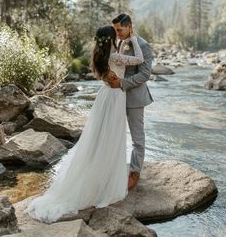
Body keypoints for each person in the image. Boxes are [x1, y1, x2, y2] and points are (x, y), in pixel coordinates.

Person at [25, 25, 144, 223]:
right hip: (114, 99)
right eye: (116, 34)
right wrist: (135, 39)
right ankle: (103, 185)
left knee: (100, 138)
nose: (119, 35)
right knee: (111, 139)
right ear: (110, 39)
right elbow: (139, 59)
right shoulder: (114, 56)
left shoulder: (101, 56)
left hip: (106, 97)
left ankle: (99, 177)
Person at [110, 13, 153, 190]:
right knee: (114, 135)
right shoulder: (118, 42)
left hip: (134, 98)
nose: (117, 33)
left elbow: (145, 74)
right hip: (117, 96)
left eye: (120, 30)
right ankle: (113, 169)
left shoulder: (143, 45)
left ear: (129, 26)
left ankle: (135, 172)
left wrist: (121, 83)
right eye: (115, 30)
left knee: (137, 139)